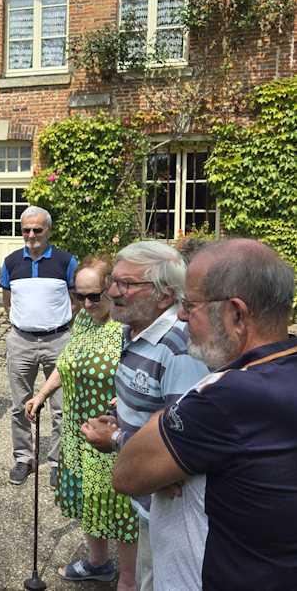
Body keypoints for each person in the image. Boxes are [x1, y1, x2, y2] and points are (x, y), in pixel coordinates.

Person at [113, 239, 297, 591]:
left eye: (190, 305)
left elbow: (127, 474)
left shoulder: (225, 398)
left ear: (236, 314)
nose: (181, 316)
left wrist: (162, 417)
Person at [80, 240, 208, 591]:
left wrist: (116, 439)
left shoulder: (179, 348)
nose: (112, 292)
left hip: (174, 507)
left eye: (126, 284)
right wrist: (122, 418)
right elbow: (156, 412)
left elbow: (183, 446)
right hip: (151, 498)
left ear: (165, 295)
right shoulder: (134, 330)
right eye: (113, 281)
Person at [25, 256, 137, 589]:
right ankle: (97, 563)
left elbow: (142, 375)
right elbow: (65, 362)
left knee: (120, 507)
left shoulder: (128, 328)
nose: (86, 303)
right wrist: (41, 394)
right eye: (79, 295)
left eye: (94, 296)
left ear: (111, 289)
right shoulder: (84, 322)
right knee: (89, 498)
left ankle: (129, 581)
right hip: (77, 431)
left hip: (111, 433)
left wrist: (127, 400)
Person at [1, 206, 77, 486]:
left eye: (37, 229)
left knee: (61, 407)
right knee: (19, 404)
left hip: (58, 340)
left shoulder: (66, 261)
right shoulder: (10, 262)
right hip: (21, 340)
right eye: (26, 230)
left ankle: (58, 461)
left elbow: (76, 298)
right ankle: (23, 458)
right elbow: (8, 301)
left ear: (49, 231)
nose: (31, 235)